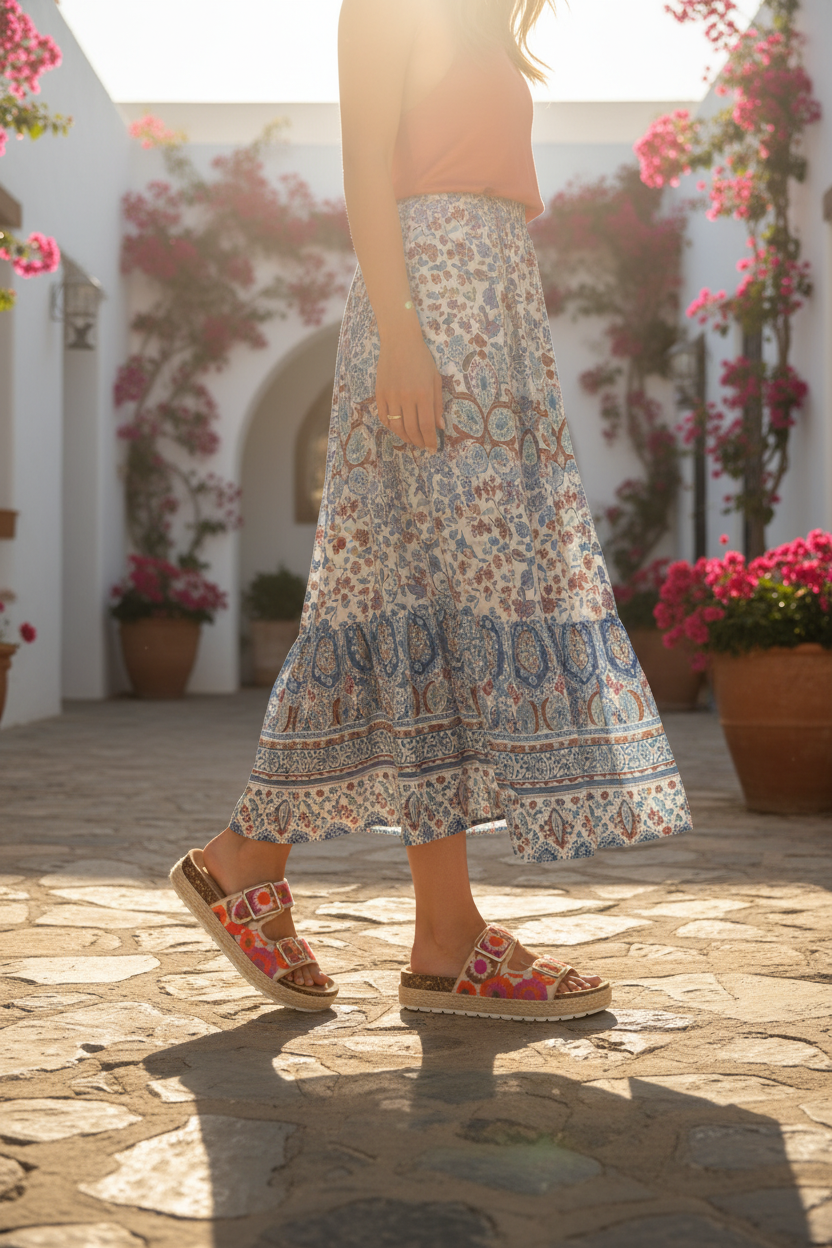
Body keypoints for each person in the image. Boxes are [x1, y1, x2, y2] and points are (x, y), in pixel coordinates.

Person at [171, 0, 692, 1021]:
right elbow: (365, 170)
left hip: (494, 304)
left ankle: (286, 874)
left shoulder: (489, 24)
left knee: (407, 603)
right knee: (420, 606)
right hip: (429, 311)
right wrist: (402, 338)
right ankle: (423, 926)